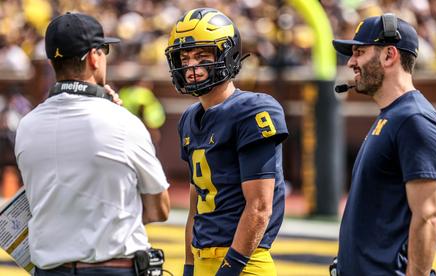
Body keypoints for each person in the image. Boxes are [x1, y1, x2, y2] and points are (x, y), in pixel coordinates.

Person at [14, 12, 170, 276]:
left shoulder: (26, 125)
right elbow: (159, 209)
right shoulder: (123, 123)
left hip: (48, 270)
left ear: (53, 61)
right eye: (105, 50)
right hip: (113, 268)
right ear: (94, 57)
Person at [165, 8, 288, 276]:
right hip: (202, 257)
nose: (191, 66)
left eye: (202, 56)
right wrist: (188, 266)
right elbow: (195, 206)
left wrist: (230, 269)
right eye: (184, 57)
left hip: (244, 262)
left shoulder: (253, 110)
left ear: (227, 55)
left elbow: (259, 207)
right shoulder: (189, 118)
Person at [331, 13, 436, 275]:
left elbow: (429, 216)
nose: (351, 62)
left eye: (359, 52)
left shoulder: (415, 119)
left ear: (389, 55)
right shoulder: (393, 116)